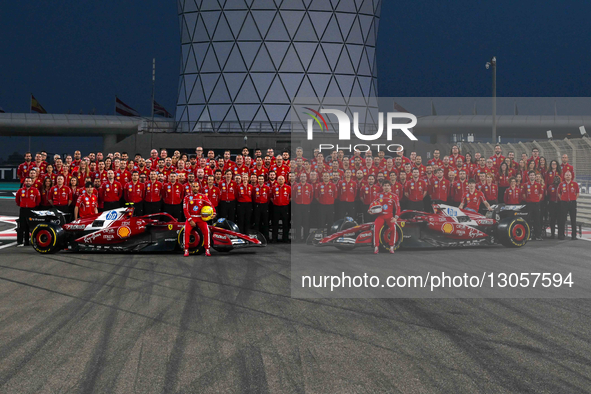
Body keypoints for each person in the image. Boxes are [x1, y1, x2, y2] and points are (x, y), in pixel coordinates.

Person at [182, 182, 215, 257]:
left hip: (201, 218)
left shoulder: (203, 196)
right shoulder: (187, 197)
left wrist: (214, 213)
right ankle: (186, 249)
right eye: (194, 186)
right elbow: (185, 209)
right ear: (191, 187)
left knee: (206, 231)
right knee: (186, 231)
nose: (195, 188)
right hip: (191, 217)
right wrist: (190, 220)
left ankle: (207, 249)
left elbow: (210, 205)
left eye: (196, 186)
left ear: (199, 188)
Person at [369, 181, 400, 254]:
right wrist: (370, 210)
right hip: (380, 216)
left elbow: (398, 208)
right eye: (385, 185)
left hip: (389, 216)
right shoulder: (378, 195)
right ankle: (376, 246)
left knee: (393, 228)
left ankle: (392, 246)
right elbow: (372, 204)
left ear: (390, 187)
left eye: (388, 186)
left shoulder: (394, 196)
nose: (386, 187)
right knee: (376, 228)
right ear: (382, 187)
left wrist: (395, 218)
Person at [16, 177, 40, 247]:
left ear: (32, 182)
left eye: (29, 181)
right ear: (24, 182)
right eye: (26, 181)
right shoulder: (20, 191)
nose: (28, 182)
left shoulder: (35, 191)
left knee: (31, 226)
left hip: (32, 210)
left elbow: (38, 201)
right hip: (23, 210)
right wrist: (21, 205)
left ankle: (30, 241)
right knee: (22, 225)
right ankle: (20, 241)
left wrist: (34, 206)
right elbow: (17, 200)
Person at [522, 170, 544, 241]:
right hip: (529, 204)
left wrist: (536, 200)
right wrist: (529, 200)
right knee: (528, 220)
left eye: (533, 175)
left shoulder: (538, 185)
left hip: (536, 204)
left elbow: (540, 195)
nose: (532, 176)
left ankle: (537, 235)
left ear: (535, 176)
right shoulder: (525, 185)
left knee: (537, 220)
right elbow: (524, 195)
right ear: (529, 176)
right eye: (531, 175)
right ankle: (529, 235)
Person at [557, 171, 579, 240]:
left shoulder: (575, 184)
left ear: (571, 176)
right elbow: (559, 193)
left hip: (572, 203)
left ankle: (574, 235)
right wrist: (562, 199)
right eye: (566, 175)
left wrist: (574, 199)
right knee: (562, 219)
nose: (568, 176)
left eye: (569, 175)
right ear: (564, 176)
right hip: (564, 203)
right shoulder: (561, 184)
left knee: (573, 219)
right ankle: (561, 235)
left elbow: (577, 193)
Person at [292, 173, 313, 243]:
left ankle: (306, 238)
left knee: (306, 222)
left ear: (306, 178)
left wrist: (307, 202)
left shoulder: (310, 186)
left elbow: (311, 197)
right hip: (298, 206)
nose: (303, 178)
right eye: (302, 177)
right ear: (300, 178)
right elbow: (294, 197)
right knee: (298, 222)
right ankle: (298, 238)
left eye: (304, 176)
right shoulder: (296, 186)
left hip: (306, 206)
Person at [270, 175, 291, 243]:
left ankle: (285, 238)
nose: (281, 180)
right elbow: (271, 197)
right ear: (277, 180)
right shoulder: (274, 187)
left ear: (285, 180)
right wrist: (276, 202)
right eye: (279, 179)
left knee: (286, 223)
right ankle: (274, 239)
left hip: (285, 207)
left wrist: (286, 202)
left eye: (282, 179)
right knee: (275, 223)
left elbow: (291, 197)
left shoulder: (288, 188)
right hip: (276, 207)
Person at [253, 175, 271, 240]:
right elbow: (253, 197)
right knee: (257, 222)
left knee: (265, 222)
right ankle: (257, 237)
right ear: (257, 180)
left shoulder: (267, 188)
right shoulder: (255, 188)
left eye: (262, 179)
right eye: (259, 179)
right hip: (257, 205)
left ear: (264, 180)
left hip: (265, 205)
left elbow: (269, 197)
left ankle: (266, 237)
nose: (260, 180)